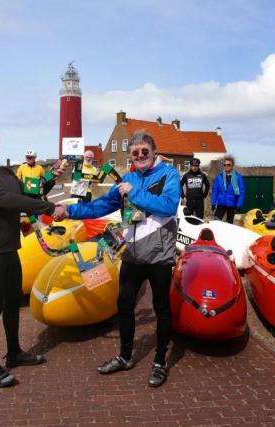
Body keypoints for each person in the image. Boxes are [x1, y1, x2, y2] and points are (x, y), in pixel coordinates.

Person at [53, 131, 180, 388]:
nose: (140, 155)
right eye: (135, 152)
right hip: (131, 254)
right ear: (130, 155)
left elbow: (168, 206)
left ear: (153, 151)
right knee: (124, 306)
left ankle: (159, 361)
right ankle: (125, 356)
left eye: (145, 151)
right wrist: (69, 211)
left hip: (159, 256)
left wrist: (133, 193)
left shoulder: (169, 174)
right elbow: (100, 206)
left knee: (161, 309)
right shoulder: (127, 178)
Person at [0, 125, 66, 388]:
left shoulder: (6, 172)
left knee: (12, 305)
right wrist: (50, 208)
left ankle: (14, 353)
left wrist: (52, 180)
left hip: (9, 249)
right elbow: (8, 201)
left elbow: (27, 195)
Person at [211, 156, 245, 223]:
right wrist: (213, 203)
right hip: (221, 203)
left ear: (232, 166)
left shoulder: (238, 177)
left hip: (232, 204)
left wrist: (239, 204)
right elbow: (215, 191)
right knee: (216, 222)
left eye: (228, 165)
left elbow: (242, 192)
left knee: (229, 224)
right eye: (225, 165)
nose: (226, 166)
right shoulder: (219, 176)